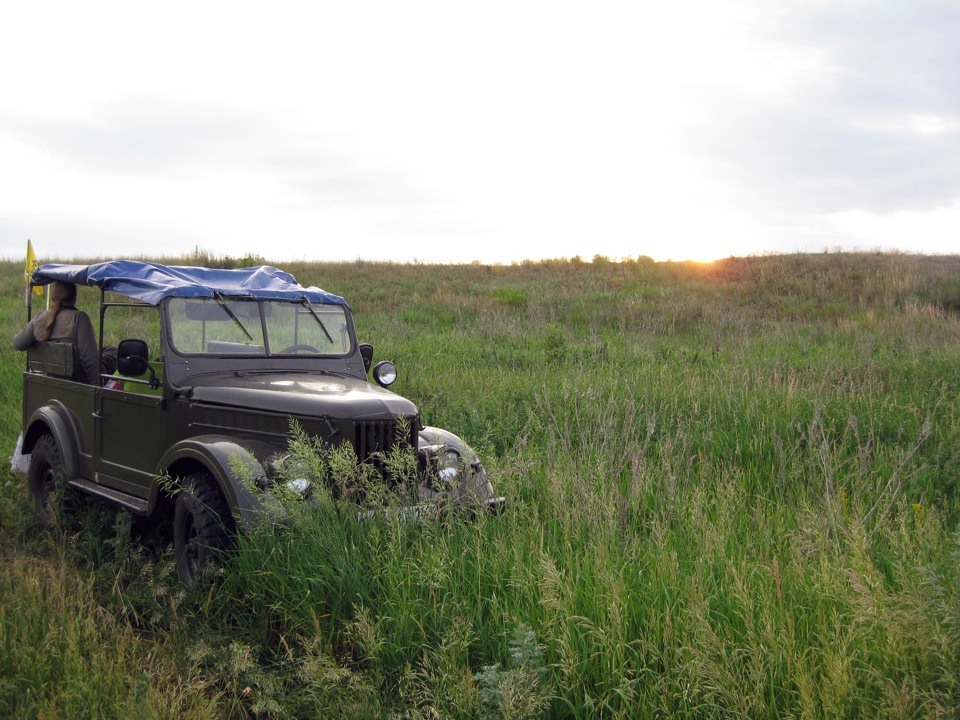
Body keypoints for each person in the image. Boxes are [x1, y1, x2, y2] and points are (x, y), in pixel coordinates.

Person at [13, 281, 100, 385]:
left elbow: (18, 344)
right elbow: (89, 359)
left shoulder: (41, 317)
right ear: (74, 298)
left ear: (53, 298)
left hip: (49, 379)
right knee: (111, 352)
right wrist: (98, 386)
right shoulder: (79, 318)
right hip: (77, 383)